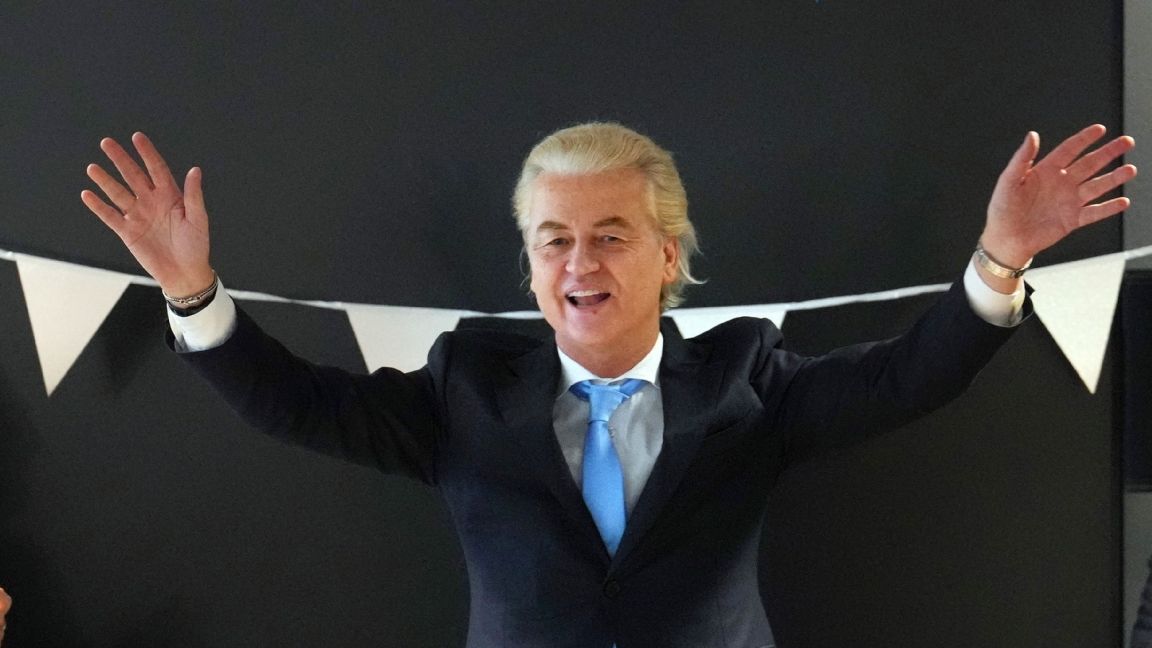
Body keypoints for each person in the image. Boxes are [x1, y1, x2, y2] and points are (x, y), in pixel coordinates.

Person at [82, 122, 1135, 647]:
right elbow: (300, 404)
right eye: (555, 239)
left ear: (669, 254)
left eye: (610, 235)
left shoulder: (746, 379)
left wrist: (1000, 258)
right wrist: (191, 291)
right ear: (531, 262)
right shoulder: (464, 387)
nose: (579, 262)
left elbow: (908, 376)